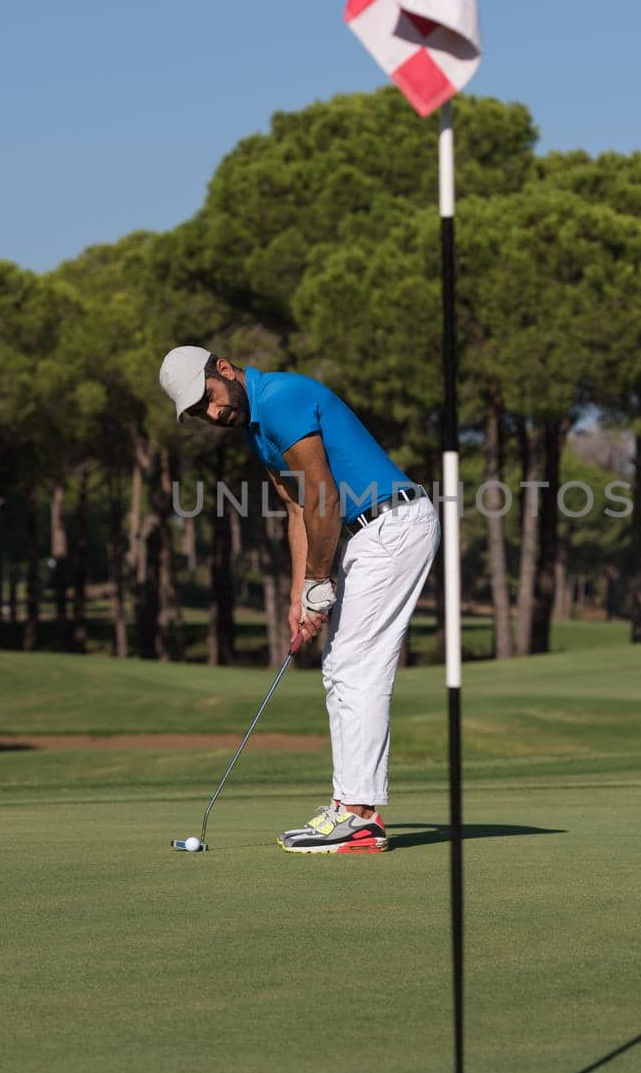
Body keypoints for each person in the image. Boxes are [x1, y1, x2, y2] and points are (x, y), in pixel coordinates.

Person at [158, 346, 440, 854]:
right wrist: (298, 595)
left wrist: (319, 582)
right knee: (341, 667)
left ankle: (358, 817)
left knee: (356, 666)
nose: (213, 413)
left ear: (223, 369)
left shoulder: (281, 397)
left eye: (210, 399)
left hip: (389, 525)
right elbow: (296, 510)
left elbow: (325, 497)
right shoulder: (259, 429)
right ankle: (349, 807)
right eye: (201, 412)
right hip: (367, 535)